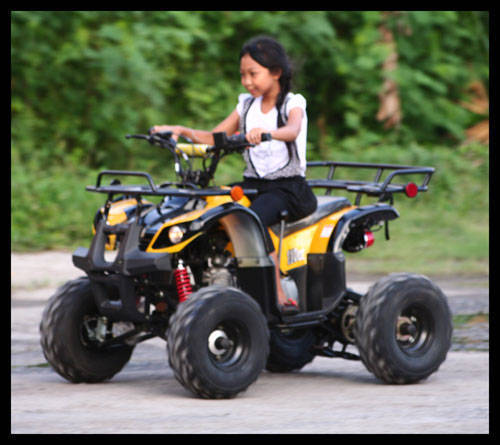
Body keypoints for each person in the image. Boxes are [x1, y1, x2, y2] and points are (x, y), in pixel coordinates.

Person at [151, 35, 317, 314]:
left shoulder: (292, 103)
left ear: (276, 72)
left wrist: (267, 134)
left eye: (253, 74)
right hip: (254, 185)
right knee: (210, 207)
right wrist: (180, 131)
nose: (247, 81)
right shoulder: (246, 106)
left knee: (252, 219)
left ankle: (276, 291)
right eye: (243, 75)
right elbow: (215, 138)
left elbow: (293, 130)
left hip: (287, 188)